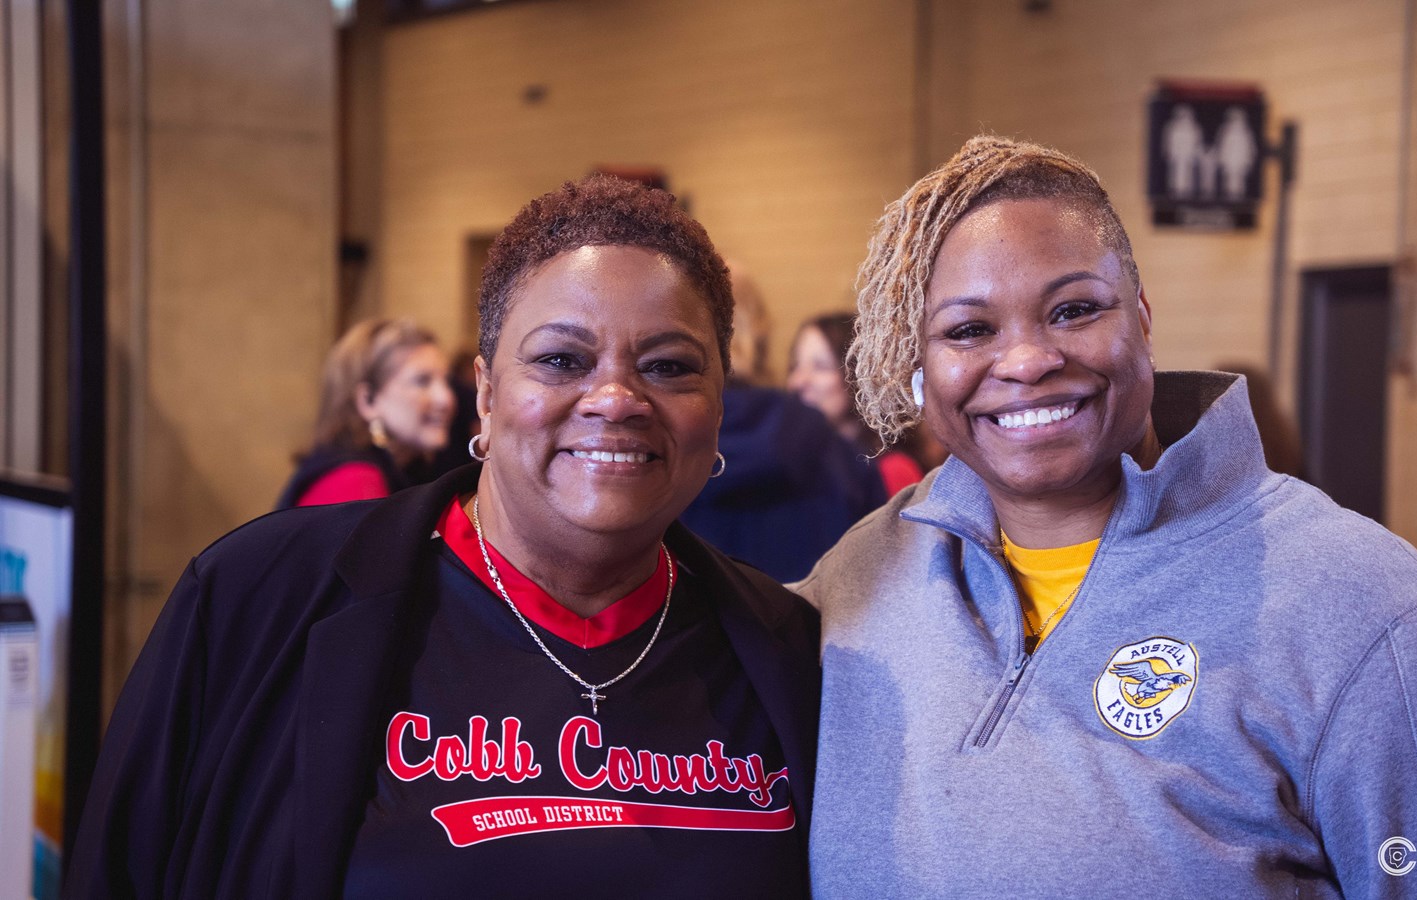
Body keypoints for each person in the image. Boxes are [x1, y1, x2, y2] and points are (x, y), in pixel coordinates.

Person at [796, 135, 1417, 897]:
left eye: (1073, 310)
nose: (1029, 360)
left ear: (1141, 317)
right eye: (969, 330)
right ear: (921, 373)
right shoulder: (865, 575)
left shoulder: (1387, 628)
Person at [68, 176, 818, 898]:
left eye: (669, 366)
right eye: (562, 359)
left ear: (718, 405)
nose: (617, 398)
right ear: (487, 395)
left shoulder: (785, 652)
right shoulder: (254, 598)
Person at [679, 267, 884, 582]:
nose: (803, 379)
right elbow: (880, 569)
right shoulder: (832, 447)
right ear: (760, 331)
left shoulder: (658, 451)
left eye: (820, 366)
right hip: (820, 626)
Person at [275, 318, 455, 508]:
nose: (446, 399)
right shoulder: (354, 483)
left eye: (446, 381)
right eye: (422, 381)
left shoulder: (407, 471)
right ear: (369, 400)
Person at [787, 312, 924, 497]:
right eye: (795, 365)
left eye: (820, 366)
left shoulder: (891, 471)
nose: (798, 381)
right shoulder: (796, 462)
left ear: (860, 376)